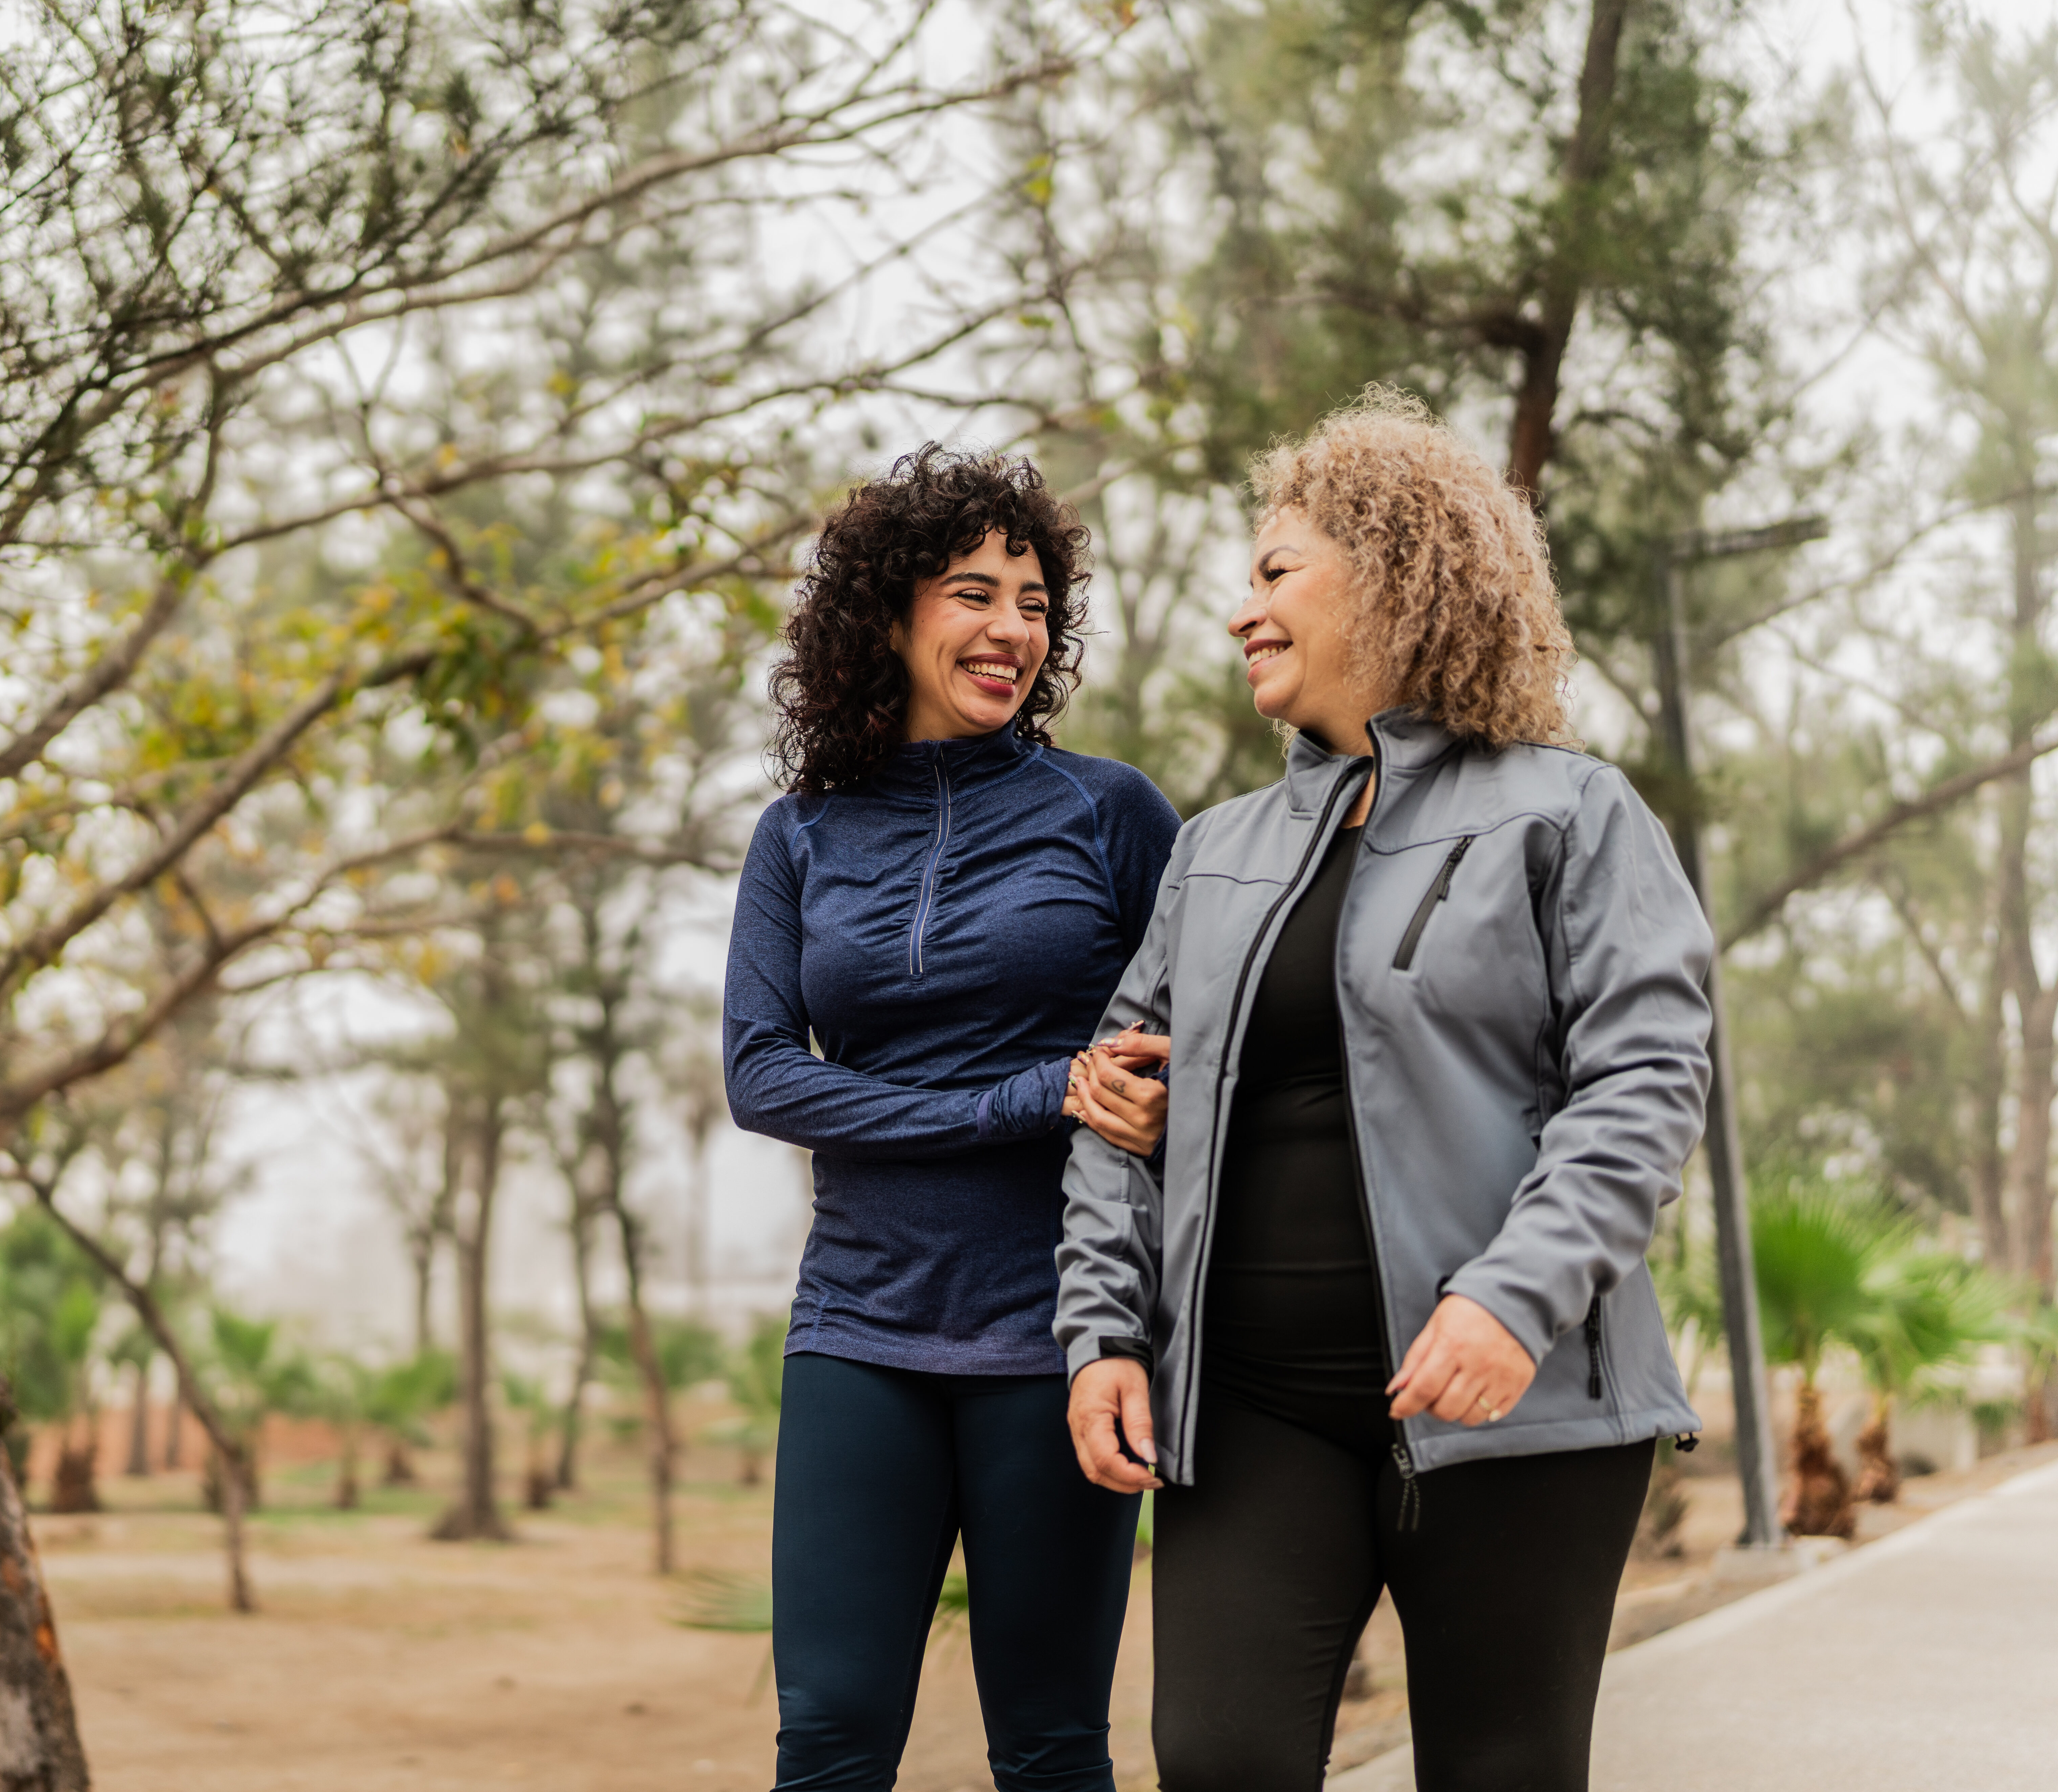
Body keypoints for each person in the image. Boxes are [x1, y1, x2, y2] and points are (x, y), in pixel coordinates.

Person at [1054, 390, 1712, 1792]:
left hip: (1510, 1407)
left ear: (1397, 575)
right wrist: (1104, 1326)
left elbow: (1644, 1082)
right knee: (1219, 1758)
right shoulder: (1214, 850)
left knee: (1502, 1769)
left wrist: (1507, 1297)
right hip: (1251, 1407)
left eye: (1277, 571)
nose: (1244, 610)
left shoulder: (1570, 814)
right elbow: (1116, 1104)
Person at [725, 443, 1183, 1792]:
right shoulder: (799, 834)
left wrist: (1124, 1114)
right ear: (888, 613)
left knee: (1048, 1749)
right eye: (974, 593)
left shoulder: (1110, 813)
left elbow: (1179, 1053)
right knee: (828, 1741)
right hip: (858, 1324)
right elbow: (762, 1074)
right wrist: (1029, 1091)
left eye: (1034, 601)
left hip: (1060, 1331)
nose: (1011, 630)